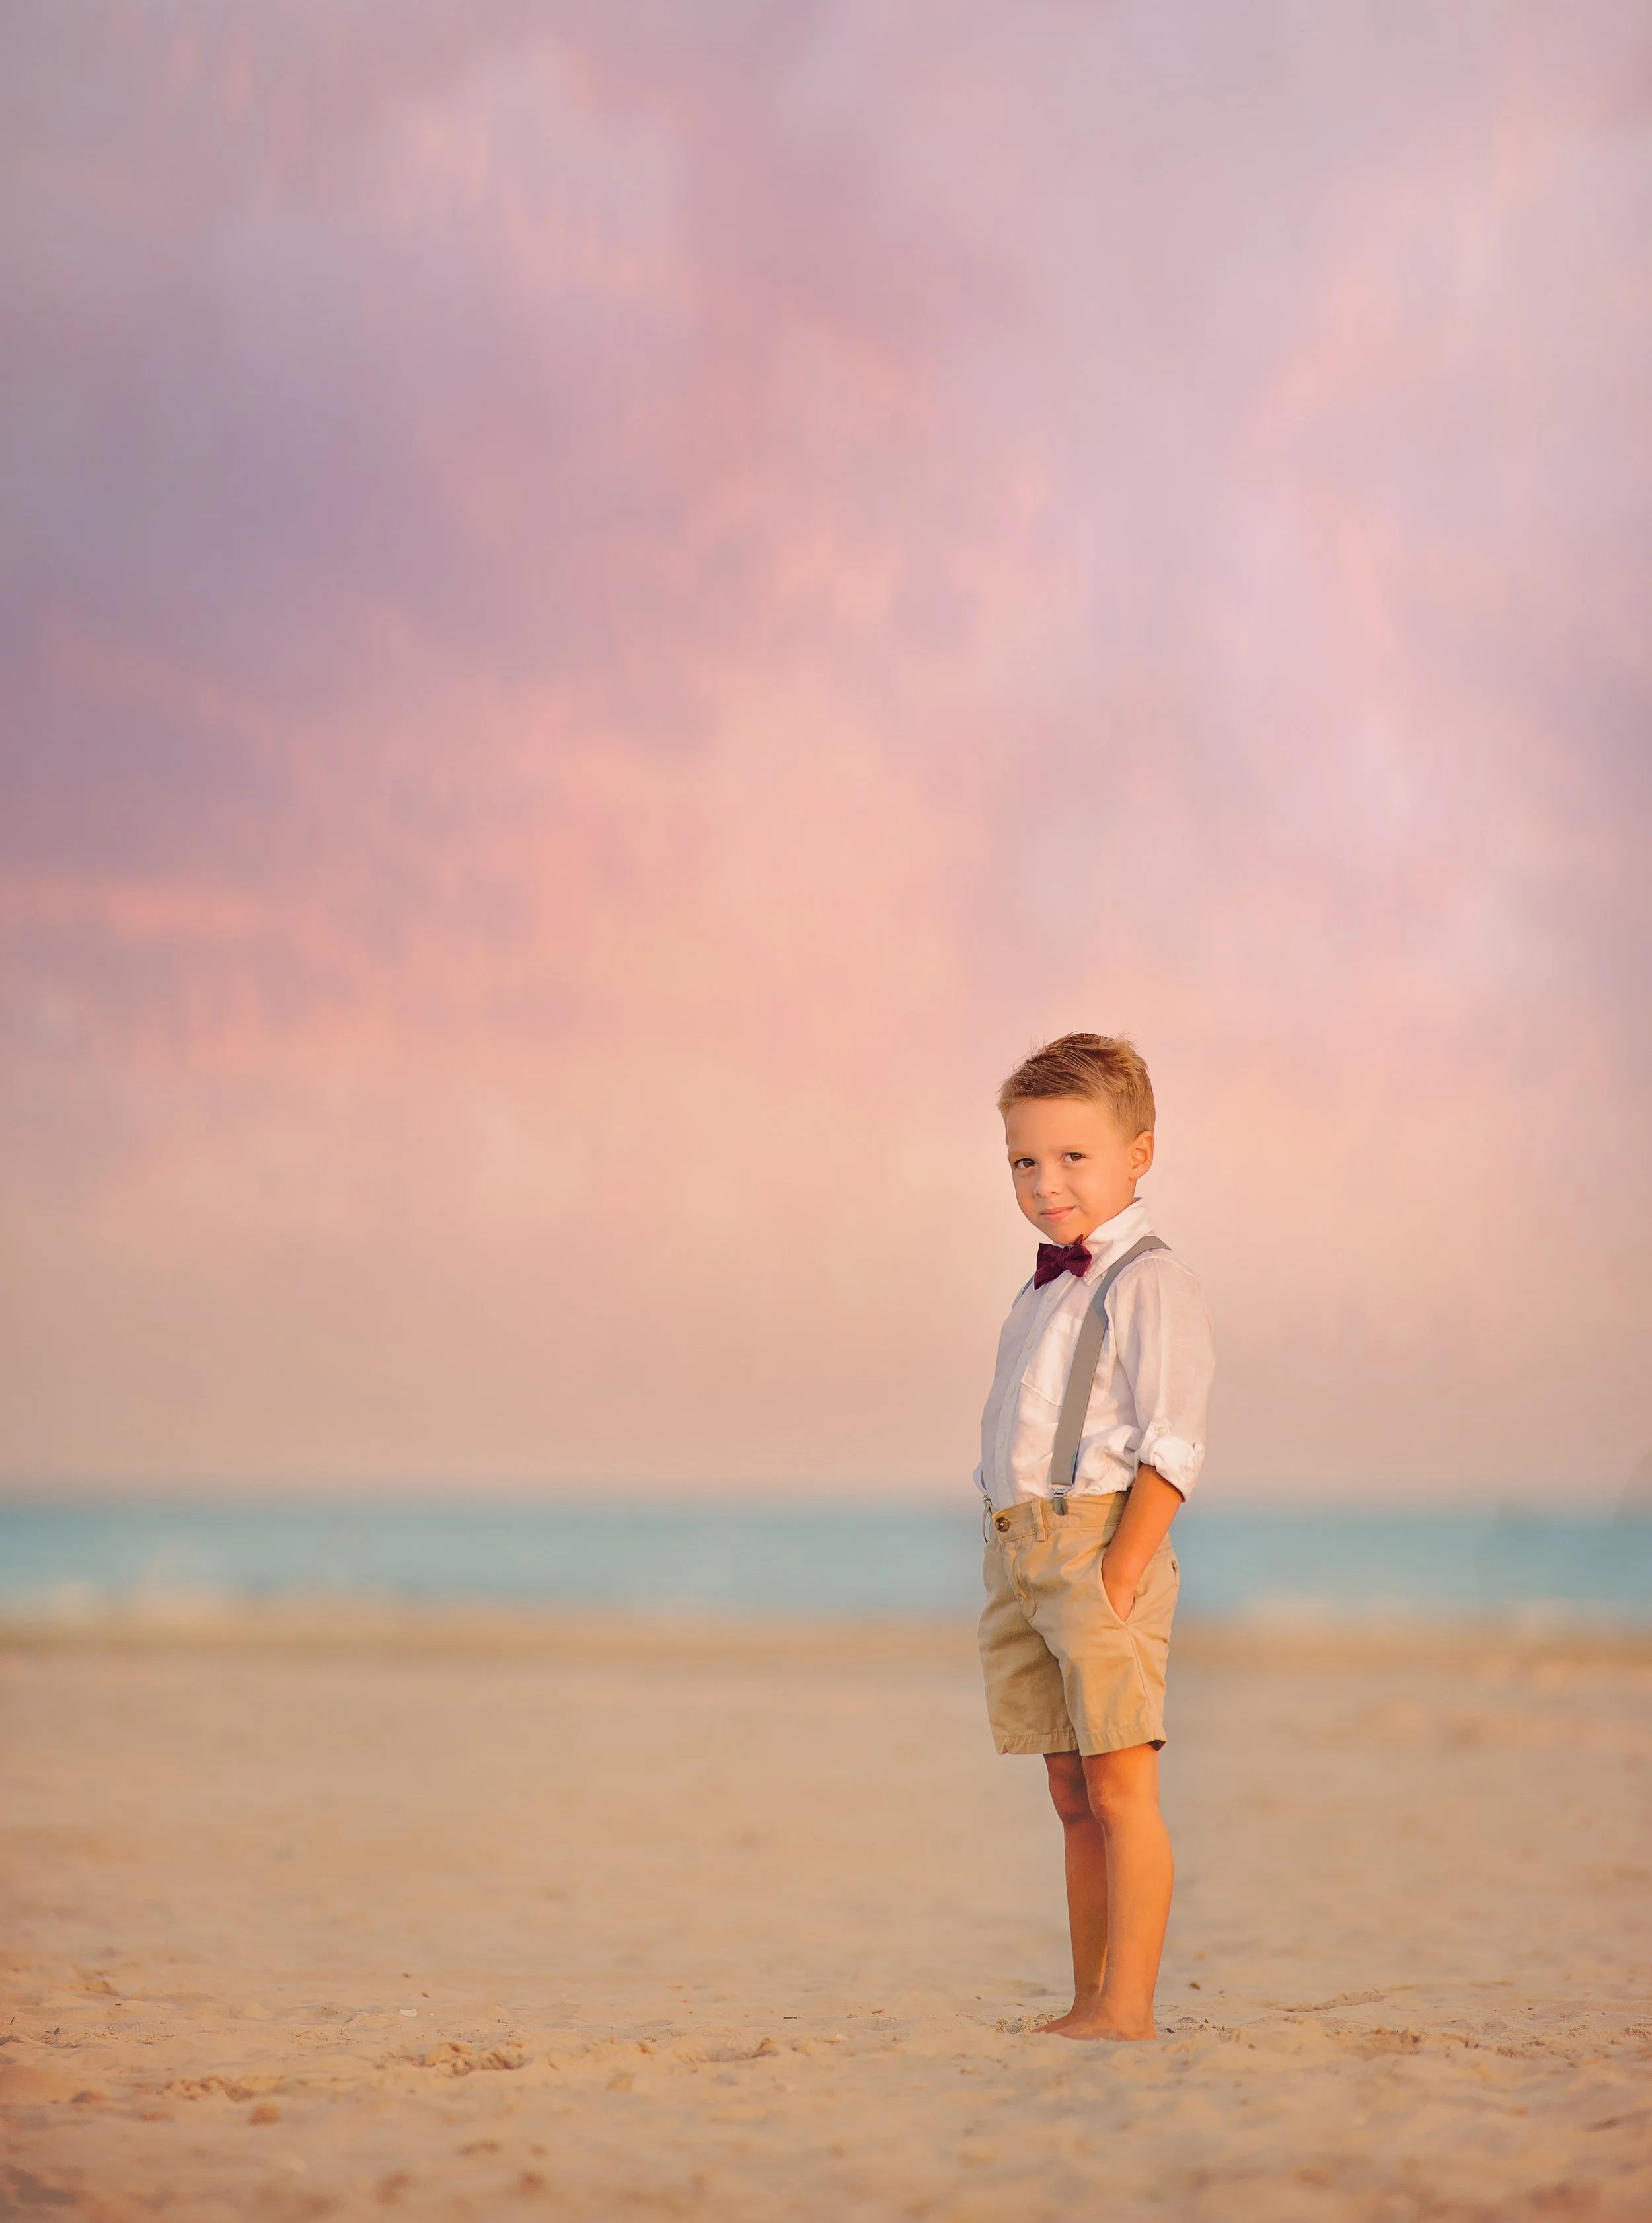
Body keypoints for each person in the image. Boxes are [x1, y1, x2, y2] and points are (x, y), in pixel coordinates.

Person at [975, 1033, 1214, 2041]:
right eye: (1026, 1160)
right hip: (1025, 1550)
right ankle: (1086, 1998)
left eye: (1074, 1157)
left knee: (1121, 1788)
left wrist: (1118, 1572)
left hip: (1097, 1548)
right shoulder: (1041, 1291)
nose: (1046, 1182)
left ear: (1139, 1153)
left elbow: (1172, 1444)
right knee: (1070, 1792)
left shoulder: (1148, 1282)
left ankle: (1129, 2008)